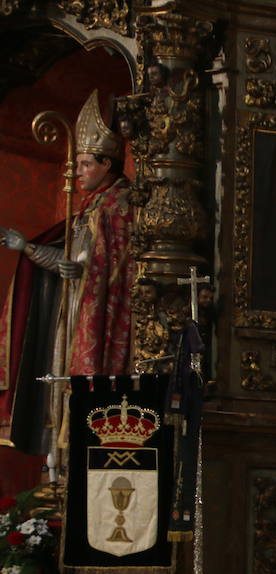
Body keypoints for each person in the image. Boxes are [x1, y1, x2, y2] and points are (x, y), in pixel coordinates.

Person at [0, 90, 134, 456]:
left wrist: (86, 270)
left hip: (99, 314)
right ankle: (59, 462)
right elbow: (64, 263)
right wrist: (25, 246)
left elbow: (120, 267)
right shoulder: (89, 207)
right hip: (73, 311)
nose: (76, 173)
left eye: (86, 164)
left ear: (107, 163)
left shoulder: (120, 205)